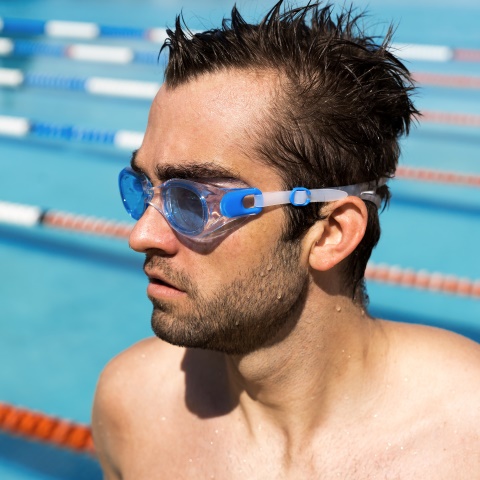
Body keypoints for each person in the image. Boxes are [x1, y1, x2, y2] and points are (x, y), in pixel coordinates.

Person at [91, 1, 480, 478]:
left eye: (193, 201)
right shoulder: (133, 405)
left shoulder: (466, 437)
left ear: (330, 233)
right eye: (144, 189)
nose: (141, 235)